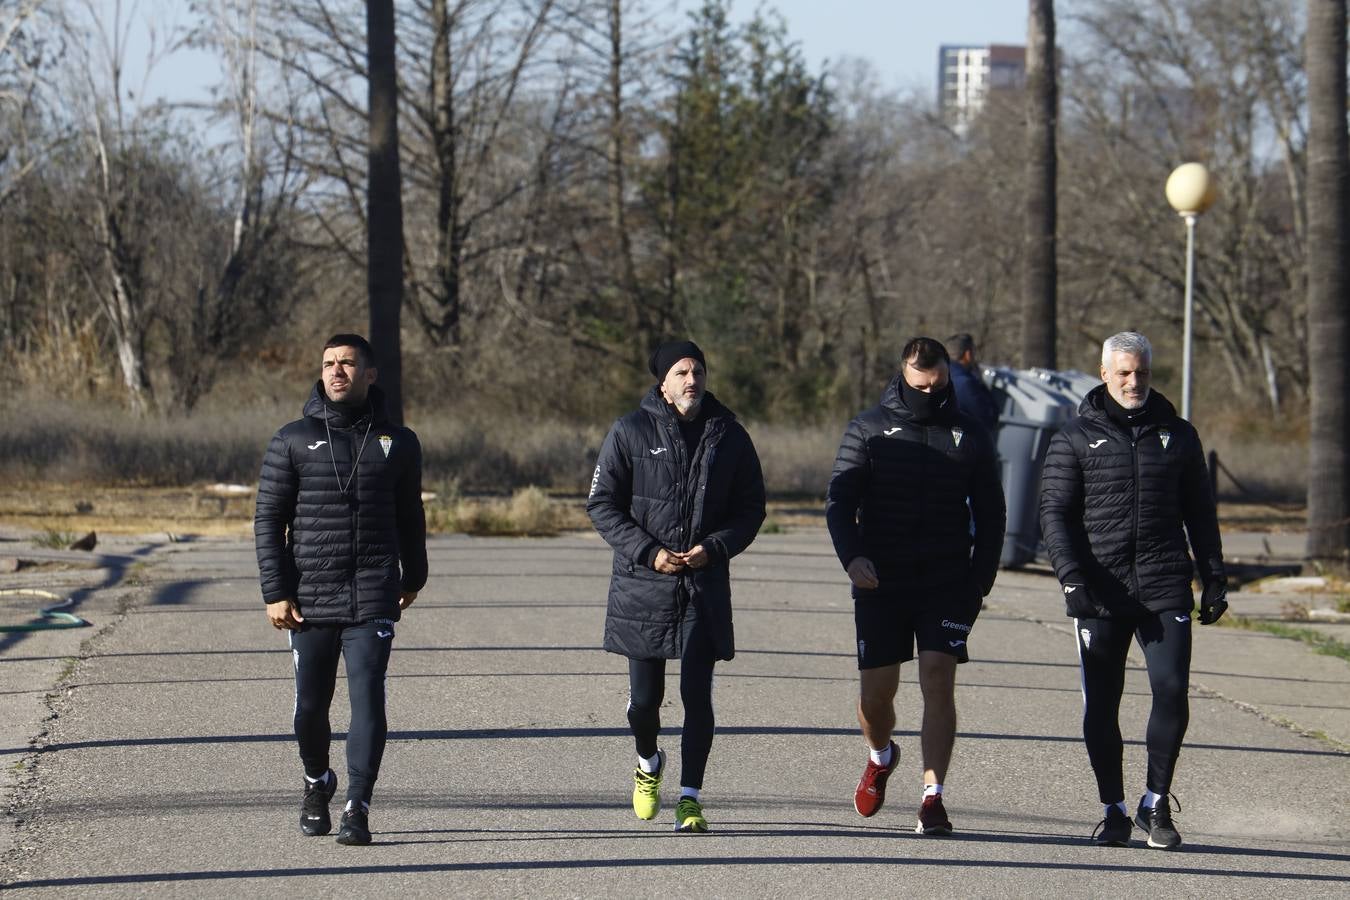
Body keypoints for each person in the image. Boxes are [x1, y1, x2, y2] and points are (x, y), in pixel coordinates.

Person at [1039, 331, 1227, 851]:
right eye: (1123, 372)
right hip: (1099, 591)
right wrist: (1071, 577)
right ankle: (1114, 809)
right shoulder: (1074, 437)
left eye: (1141, 372)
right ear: (1104, 374)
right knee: (1102, 704)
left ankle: (1155, 803)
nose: (1133, 381)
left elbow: (1200, 512)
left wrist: (1213, 575)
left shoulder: (1179, 435)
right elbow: (1053, 513)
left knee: (1171, 690)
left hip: (1165, 583)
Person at [826, 337, 1005, 835]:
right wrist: (853, 557)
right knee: (875, 700)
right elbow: (840, 502)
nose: (930, 391)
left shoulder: (969, 434)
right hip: (881, 578)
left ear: (948, 374)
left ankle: (933, 797)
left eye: (939, 383)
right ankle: (881, 756)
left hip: (946, 579)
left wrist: (979, 581)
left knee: (937, 678)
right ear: (903, 374)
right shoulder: (867, 429)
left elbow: (992, 514)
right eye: (920, 384)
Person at [254, 333, 427, 846]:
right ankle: (316, 781)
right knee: (311, 705)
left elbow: (410, 515)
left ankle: (358, 804)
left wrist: (413, 576)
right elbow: (268, 519)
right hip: (309, 594)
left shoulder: (399, 441)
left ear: (370, 374)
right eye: (329, 363)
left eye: (347, 363)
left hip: (373, 590)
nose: (336, 371)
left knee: (368, 696)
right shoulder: (291, 439)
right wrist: (275, 590)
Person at [587, 340, 766, 833]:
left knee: (697, 695)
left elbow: (752, 509)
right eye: (682, 372)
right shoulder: (629, 431)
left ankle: (690, 797)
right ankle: (648, 763)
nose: (692, 380)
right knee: (644, 703)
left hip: (702, 587)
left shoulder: (730, 435)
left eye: (699, 371)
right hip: (644, 585)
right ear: (662, 383)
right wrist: (649, 552)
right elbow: (602, 504)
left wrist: (717, 547)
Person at [945, 333, 1000, 437]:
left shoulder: (939, 376)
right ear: (968, 354)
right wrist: (980, 382)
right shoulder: (966, 383)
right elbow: (989, 417)